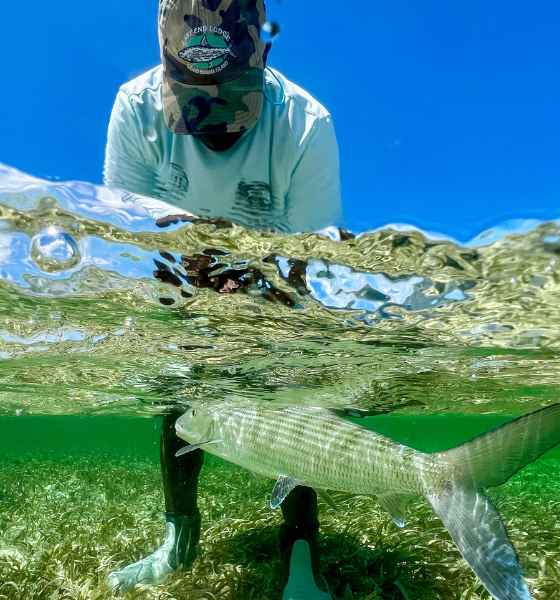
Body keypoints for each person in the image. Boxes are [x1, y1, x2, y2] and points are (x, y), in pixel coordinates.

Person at [103, 0, 342, 598]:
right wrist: (184, 271)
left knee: (291, 397)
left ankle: (303, 555)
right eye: (191, 97)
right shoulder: (135, 108)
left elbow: (311, 262)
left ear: (264, 54)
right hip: (181, 280)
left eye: (230, 96)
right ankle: (178, 538)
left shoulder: (306, 125)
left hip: (272, 280)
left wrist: (260, 284)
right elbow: (129, 238)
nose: (212, 130)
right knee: (179, 392)